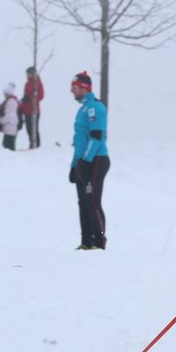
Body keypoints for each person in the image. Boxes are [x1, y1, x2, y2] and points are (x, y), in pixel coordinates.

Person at [68, 71, 110, 250]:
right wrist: (74, 166)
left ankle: (99, 242)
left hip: (97, 160)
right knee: (83, 202)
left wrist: (86, 160)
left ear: (85, 88)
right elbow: (79, 141)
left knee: (92, 201)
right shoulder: (82, 109)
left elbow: (96, 136)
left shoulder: (95, 108)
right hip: (83, 160)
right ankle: (86, 241)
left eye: (75, 87)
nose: (72, 91)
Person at [21, 66, 44, 148]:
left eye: (28, 74)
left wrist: (30, 98)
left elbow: (41, 96)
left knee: (33, 128)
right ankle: (32, 144)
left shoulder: (37, 83)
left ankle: (36, 145)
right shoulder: (27, 84)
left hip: (34, 110)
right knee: (28, 129)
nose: (27, 75)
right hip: (27, 110)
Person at [0, 83, 20, 151]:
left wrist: (0, 120)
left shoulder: (10, 102)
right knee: (9, 144)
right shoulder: (13, 101)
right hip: (11, 126)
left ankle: (11, 158)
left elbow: (8, 115)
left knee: (8, 145)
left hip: (9, 126)